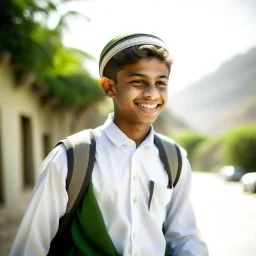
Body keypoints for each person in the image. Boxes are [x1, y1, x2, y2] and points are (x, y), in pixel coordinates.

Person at [10, 33, 209, 256]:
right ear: (108, 87)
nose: (152, 93)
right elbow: (30, 246)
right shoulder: (71, 157)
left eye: (161, 83)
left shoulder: (174, 158)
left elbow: (185, 236)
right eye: (138, 82)